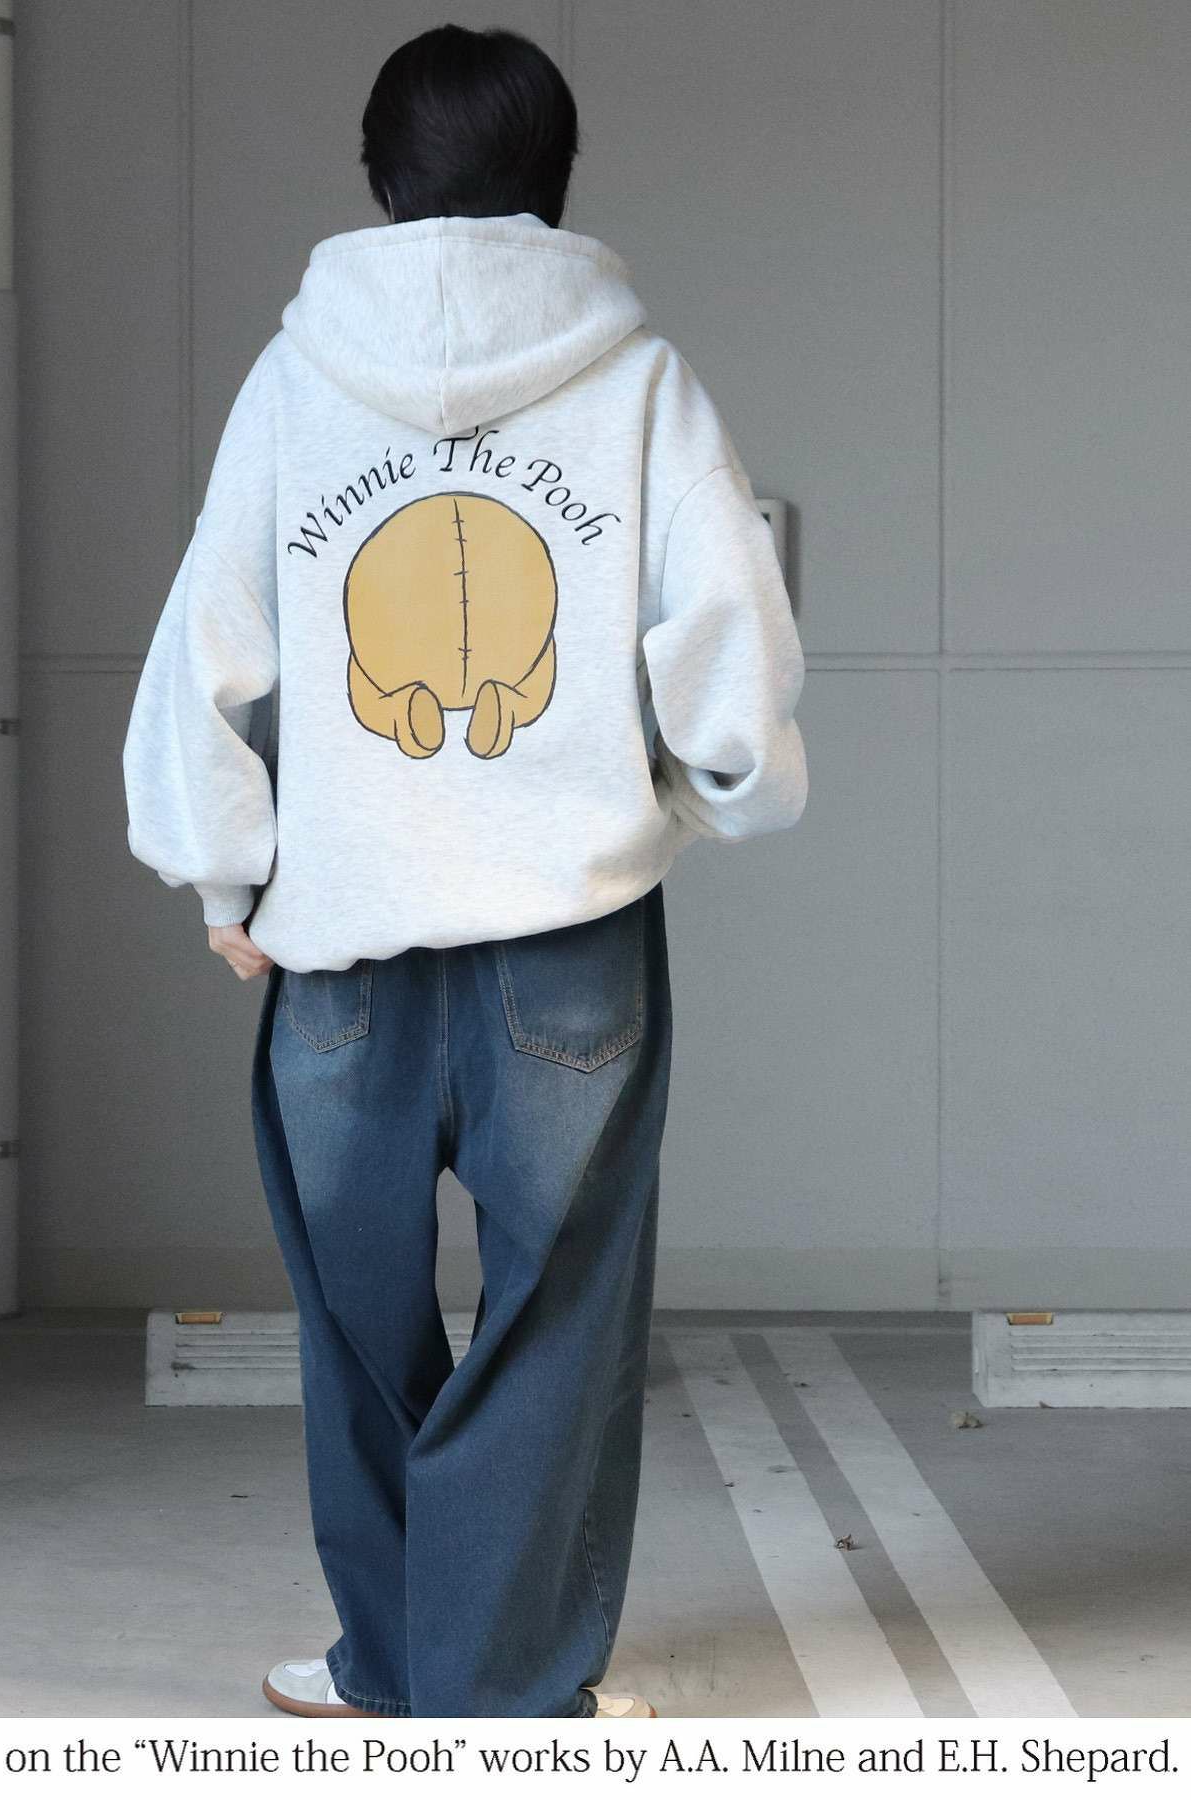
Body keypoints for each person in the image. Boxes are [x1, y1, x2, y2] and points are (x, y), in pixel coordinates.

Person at [122, 23, 809, 1720]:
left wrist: (223, 878)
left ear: (381, 176)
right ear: (555, 177)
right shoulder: (639, 381)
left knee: (355, 1317)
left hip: (340, 944)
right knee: (557, 1319)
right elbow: (730, 628)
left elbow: (205, 637)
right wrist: (698, 795)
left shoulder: (295, 379)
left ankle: (394, 1661)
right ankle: (502, 1681)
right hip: (570, 934)